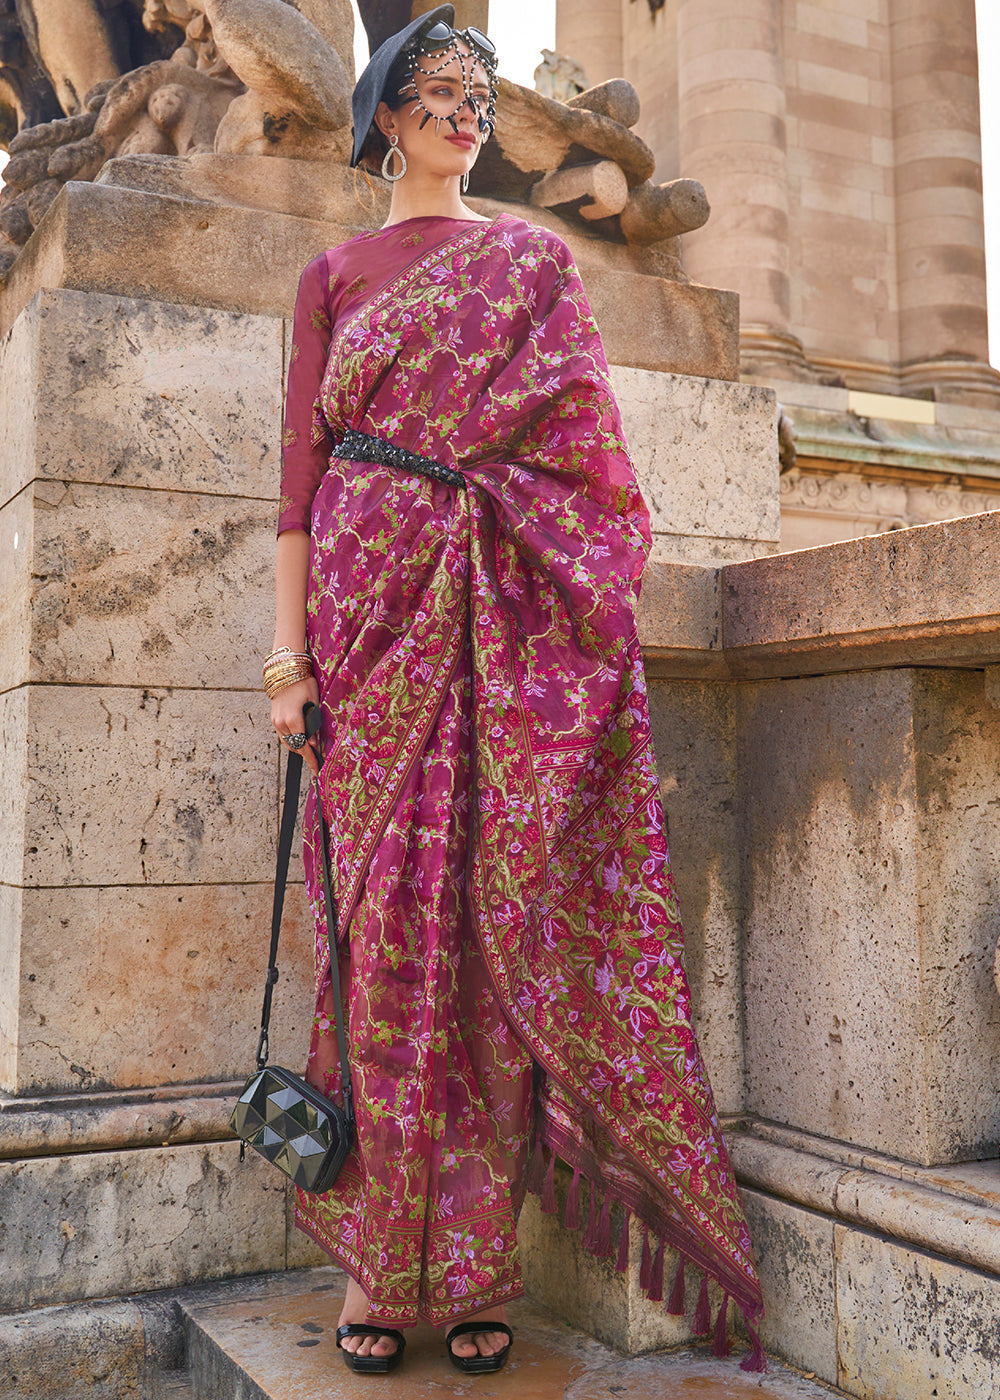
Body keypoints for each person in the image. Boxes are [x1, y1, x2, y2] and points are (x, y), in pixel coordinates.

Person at [266, 4, 764, 1379]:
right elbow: (299, 486)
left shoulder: (534, 267)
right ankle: (381, 1270)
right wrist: (285, 657)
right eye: (436, 94)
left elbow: (588, 462)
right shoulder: (332, 276)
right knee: (378, 952)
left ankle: (474, 1271)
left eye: (477, 95)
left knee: (485, 957)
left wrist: (559, 590)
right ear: (384, 117)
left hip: (501, 637)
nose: (464, 114)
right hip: (363, 632)